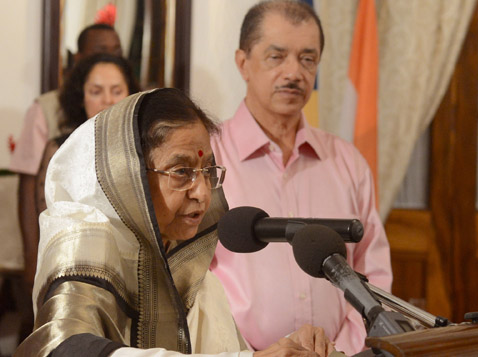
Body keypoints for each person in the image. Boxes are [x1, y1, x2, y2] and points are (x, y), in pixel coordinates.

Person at [14, 88, 337, 357]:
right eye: (181, 172)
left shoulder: (191, 270)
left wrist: (288, 349)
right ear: (131, 177)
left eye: (207, 171)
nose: (201, 192)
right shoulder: (85, 246)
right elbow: (63, 347)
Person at [210, 1, 392, 355]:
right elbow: (188, 285)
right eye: (277, 57)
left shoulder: (347, 162)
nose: (294, 73)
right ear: (243, 63)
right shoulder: (208, 160)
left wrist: (341, 351)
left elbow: (374, 274)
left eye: (308, 59)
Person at [9, 23, 122, 291]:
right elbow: (28, 188)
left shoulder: (131, 111)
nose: (112, 56)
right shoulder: (47, 109)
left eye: (117, 50)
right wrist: (30, 261)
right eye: (101, 50)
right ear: (79, 57)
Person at [35, 53, 140, 219]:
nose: (108, 100)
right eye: (96, 92)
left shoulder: (144, 147)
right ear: (81, 98)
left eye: (117, 91)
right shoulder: (60, 151)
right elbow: (49, 220)